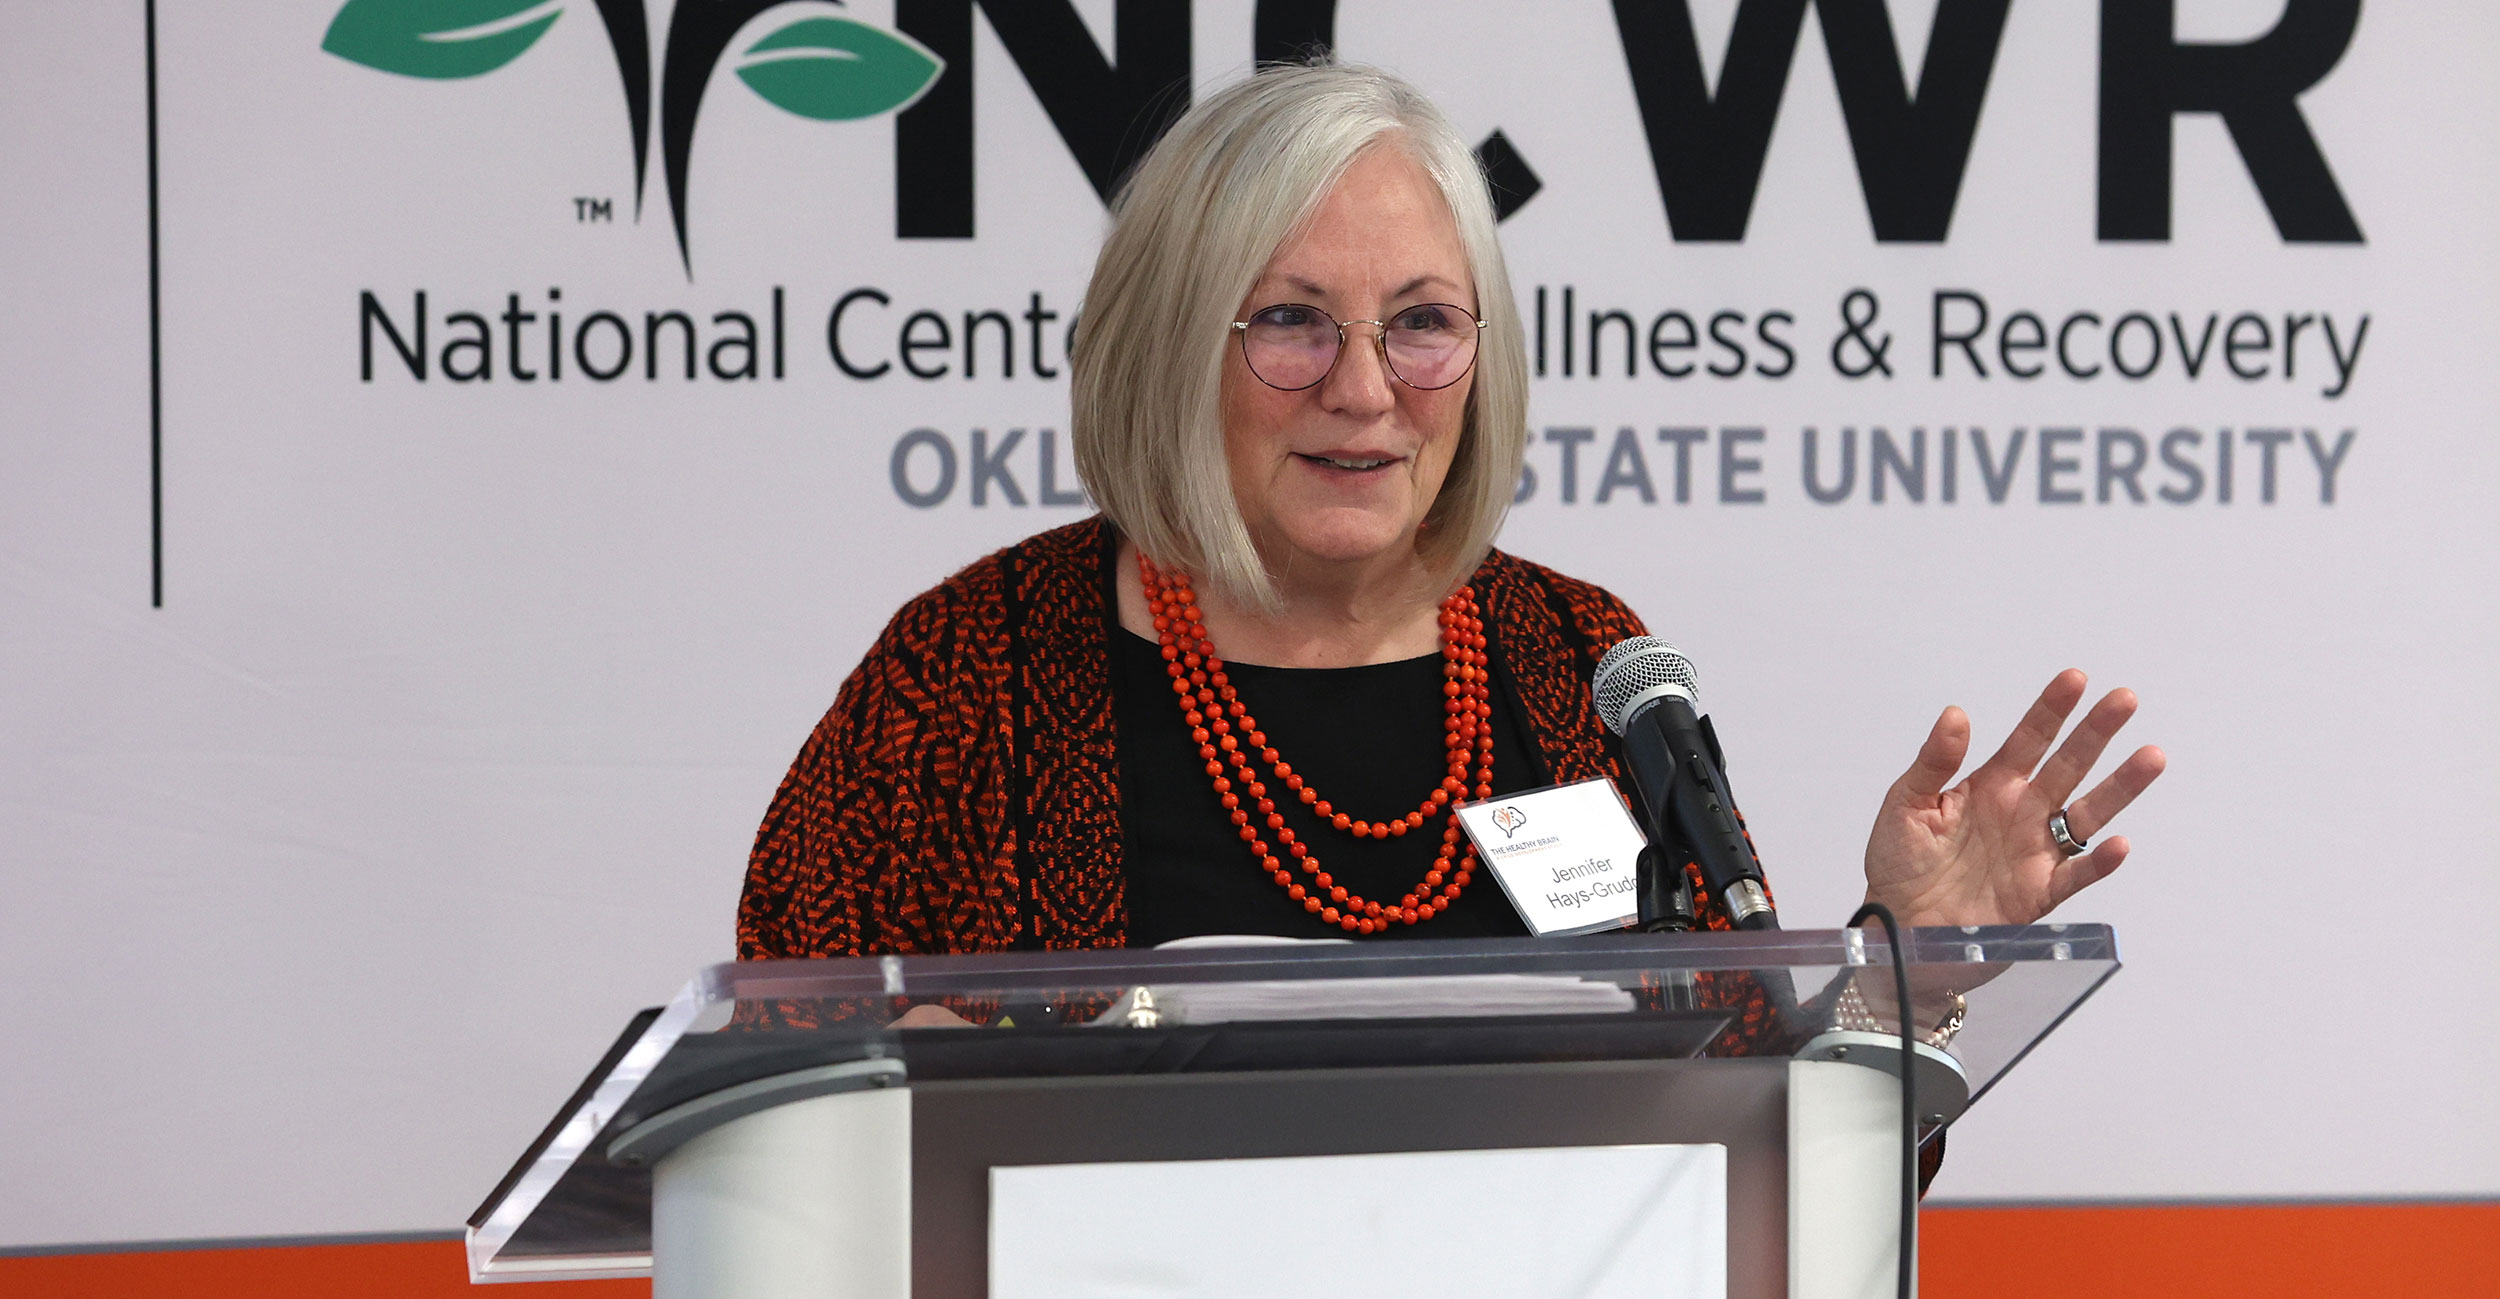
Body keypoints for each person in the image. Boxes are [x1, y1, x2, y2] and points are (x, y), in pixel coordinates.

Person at [736, 62, 2164, 962]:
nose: (1365, 389)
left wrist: (1911, 959)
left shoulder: (1577, 655)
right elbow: (766, 1097)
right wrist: (886, 1082)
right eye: (1291, 320)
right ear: (1169, 345)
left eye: (1422, 321)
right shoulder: (964, 674)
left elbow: (1743, 1119)